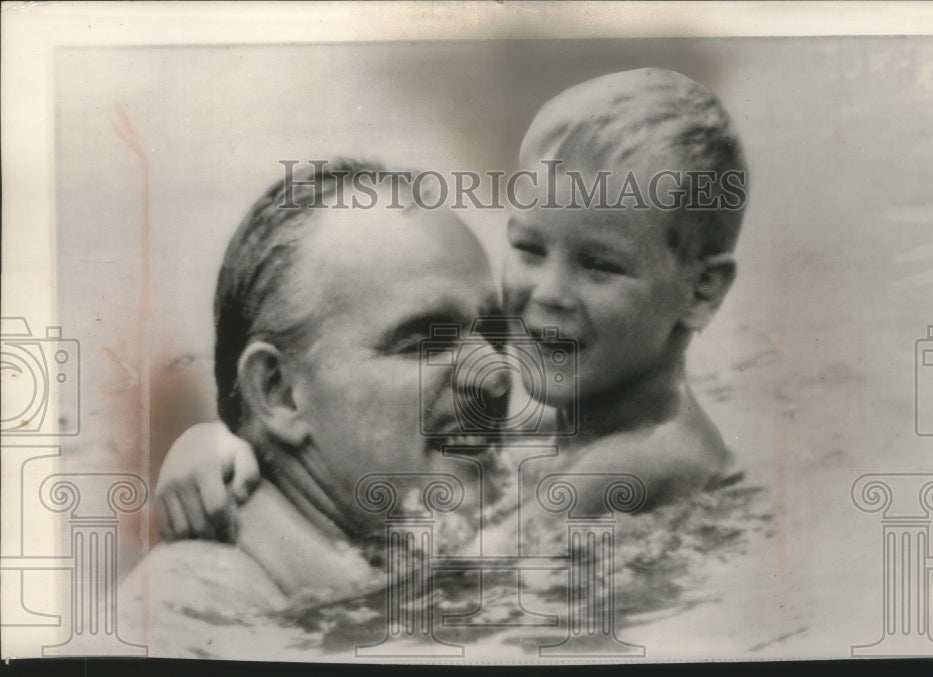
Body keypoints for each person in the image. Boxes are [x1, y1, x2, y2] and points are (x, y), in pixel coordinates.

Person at [156, 66, 748, 537]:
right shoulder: (573, 408)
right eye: (529, 248)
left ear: (701, 292)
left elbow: (455, 580)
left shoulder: (645, 457)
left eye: (598, 265)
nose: (547, 292)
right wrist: (211, 444)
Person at [120, 159, 510, 653]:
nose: (497, 376)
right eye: (424, 343)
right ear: (279, 392)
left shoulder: (454, 541)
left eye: (495, 335)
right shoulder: (183, 620)